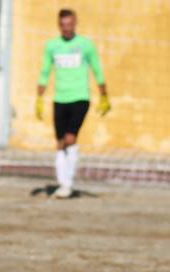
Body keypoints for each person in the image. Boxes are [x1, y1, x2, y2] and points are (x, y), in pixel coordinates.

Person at [36, 8, 110, 198]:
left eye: (69, 24)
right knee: (60, 142)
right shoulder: (52, 46)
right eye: (63, 25)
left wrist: (104, 95)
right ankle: (63, 182)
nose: (66, 28)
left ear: (75, 24)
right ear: (58, 25)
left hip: (80, 98)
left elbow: (97, 69)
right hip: (60, 98)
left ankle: (67, 185)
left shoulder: (85, 45)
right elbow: (45, 72)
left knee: (70, 138)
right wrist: (39, 98)